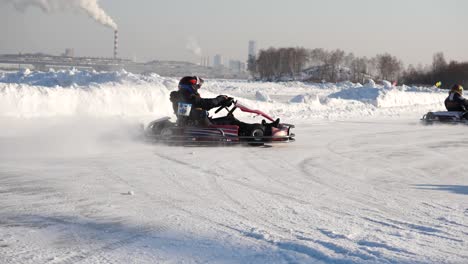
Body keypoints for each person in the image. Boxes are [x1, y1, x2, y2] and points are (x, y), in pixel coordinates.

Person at [170, 76, 279, 135]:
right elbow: (204, 104)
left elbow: (200, 105)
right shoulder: (186, 96)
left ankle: (265, 127)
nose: (198, 89)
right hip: (198, 124)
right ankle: (263, 130)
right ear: (191, 86)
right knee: (231, 121)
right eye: (197, 86)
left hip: (197, 122)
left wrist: (221, 101)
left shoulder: (182, 96)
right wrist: (220, 99)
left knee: (230, 119)